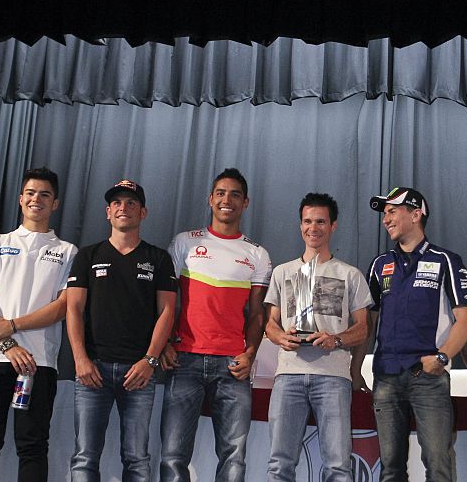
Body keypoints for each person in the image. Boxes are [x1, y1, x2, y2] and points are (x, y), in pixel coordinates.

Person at [159, 168, 272, 482]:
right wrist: (164, 343)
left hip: (233, 364)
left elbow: (257, 315)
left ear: (245, 203)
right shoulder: (184, 242)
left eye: (235, 195)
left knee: (234, 457)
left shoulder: (257, 254)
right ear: (210, 199)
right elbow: (165, 302)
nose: (227, 200)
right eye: (221, 193)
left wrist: (249, 354)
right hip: (184, 359)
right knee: (173, 456)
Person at [0, 167, 77, 482]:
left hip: (38, 363)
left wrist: (13, 326)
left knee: (32, 446)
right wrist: (7, 344)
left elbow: (62, 306)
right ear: (20, 199)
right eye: (30, 193)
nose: (36, 199)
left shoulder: (67, 251)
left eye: (44, 194)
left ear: (55, 203)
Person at [66, 179, 177, 482]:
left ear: (143, 212)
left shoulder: (158, 258)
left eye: (131, 203)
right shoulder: (88, 255)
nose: (123, 208)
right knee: (84, 457)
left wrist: (150, 360)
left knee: (137, 459)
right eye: (116, 202)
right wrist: (80, 359)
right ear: (108, 212)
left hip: (139, 372)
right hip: (93, 370)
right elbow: (73, 309)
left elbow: (167, 311)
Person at [366, 186, 467, 482]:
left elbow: (466, 320)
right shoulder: (379, 264)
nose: (386, 219)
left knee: (438, 464)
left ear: (416, 215)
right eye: (384, 213)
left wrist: (442, 358)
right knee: (390, 467)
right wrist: (355, 369)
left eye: (392, 211)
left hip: (427, 376)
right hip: (386, 375)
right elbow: (368, 322)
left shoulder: (446, 260)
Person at [264, 193, 372, 482]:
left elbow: (363, 328)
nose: (313, 228)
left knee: (338, 465)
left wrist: (335, 340)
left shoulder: (350, 274)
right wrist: (281, 338)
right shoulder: (282, 272)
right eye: (308, 221)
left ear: (333, 226)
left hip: (333, 377)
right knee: (279, 464)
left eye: (321, 222)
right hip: (289, 375)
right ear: (300, 225)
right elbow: (270, 324)